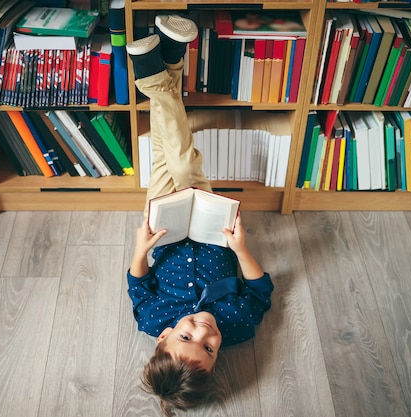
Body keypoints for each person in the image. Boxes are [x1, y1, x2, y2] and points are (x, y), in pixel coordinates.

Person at [125, 15, 274, 417]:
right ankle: (163, 72)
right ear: (215, 358)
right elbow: (263, 291)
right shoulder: (239, 326)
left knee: (168, 155)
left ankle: (164, 73)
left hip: (165, 227)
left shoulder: (152, 318)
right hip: (212, 228)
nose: (204, 331)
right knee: (183, 162)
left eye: (186, 336)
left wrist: (140, 251)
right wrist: (241, 250)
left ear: (164, 337)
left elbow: (137, 287)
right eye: (208, 348)